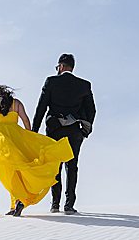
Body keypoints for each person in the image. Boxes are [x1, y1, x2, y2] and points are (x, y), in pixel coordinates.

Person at [0, 84, 74, 216]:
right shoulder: (16, 103)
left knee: (11, 172)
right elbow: (25, 120)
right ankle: (17, 203)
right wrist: (30, 138)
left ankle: (17, 202)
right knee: (23, 169)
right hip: (18, 136)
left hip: (2, 140)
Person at [32, 53, 96, 214]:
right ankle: (69, 205)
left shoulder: (51, 81)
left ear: (60, 66)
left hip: (54, 129)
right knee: (72, 166)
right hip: (75, 131)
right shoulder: (84, 85)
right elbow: (92, 110)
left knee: (55, 166)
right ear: (72, 67)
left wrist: (34, 132)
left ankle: (55, 204)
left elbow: (41, 108)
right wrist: (85, 131)